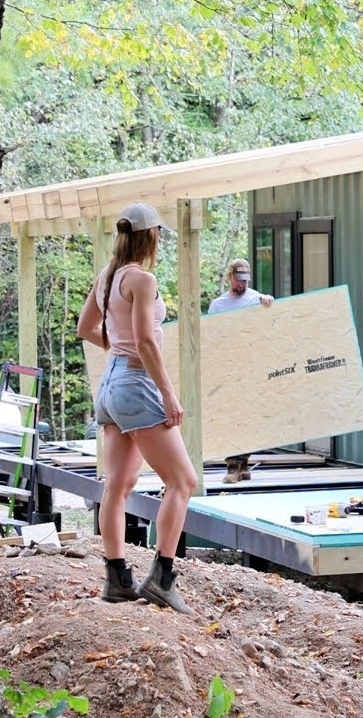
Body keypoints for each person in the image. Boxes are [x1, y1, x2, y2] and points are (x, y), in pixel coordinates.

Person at [76, 201, 198, 615]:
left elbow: (85, 327)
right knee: (183, 481)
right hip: (135, 383)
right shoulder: (142, 280)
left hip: (110, 384)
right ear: (152, 237)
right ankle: (162, 579)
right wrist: (168, 393)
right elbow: (145, 341)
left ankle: (116, 579)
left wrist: (117, 348)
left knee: (118, 484)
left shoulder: (108, 276)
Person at [208, 258, 273, 483]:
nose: (241, 284)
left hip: (251, 366)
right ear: (229, 277)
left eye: (245, 280)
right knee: (229, 414)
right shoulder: (218, 305)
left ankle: (244, 463)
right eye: (238, 280)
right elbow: (211, 336)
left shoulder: (257, 299)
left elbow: (273, 320)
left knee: (248, 415)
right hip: (227, 367)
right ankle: (232, 466)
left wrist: (269, 303)